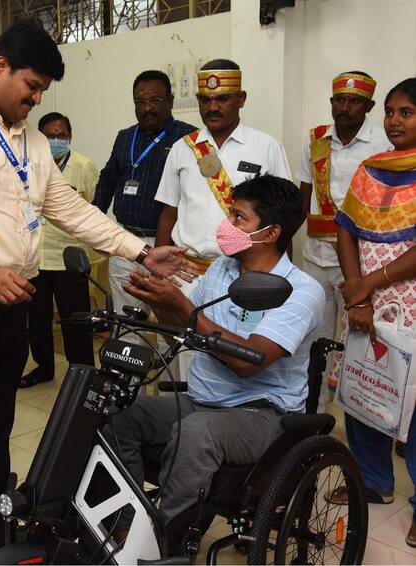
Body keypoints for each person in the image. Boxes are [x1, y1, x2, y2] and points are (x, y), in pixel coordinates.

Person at [0, 20, 192, 564]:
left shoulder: (27, 138)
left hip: (2, 304)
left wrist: (139, 251)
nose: (36, 97)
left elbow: (66, 207)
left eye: (44, 89)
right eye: (32, 84)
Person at [113, 175, 323, 549]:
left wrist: (182, 307)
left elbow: (248, 362)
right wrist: (158, 300)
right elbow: (184, 330)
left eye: (239, 218)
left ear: (271, 232)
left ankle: (166, 547)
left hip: (262, 416)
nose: (226, 227)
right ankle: (129, 525)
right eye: (230, 215)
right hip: (202, 402)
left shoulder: (301, 291)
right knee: (118, 408)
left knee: (197, 432)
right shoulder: (222, 271)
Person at [154, 59, 291, 377]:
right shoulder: (182, 149)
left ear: (241, 99)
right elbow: (168, 212)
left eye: (222, 98)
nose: (212, 107)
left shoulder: (266, 146)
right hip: (187, 274)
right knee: (186, 365)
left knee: (236, 362)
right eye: (205, 100)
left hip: (243, 278)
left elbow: (285, 219)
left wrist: (278, 278)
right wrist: (159, 274)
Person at [330, 77, 416, 548]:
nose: (394, 121)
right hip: (368, 304)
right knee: (366, 388)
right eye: (390, 111)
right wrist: (359, 297)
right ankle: (373, 480)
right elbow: (346, 228)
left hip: (410, 306)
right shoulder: (371, 167)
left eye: (406, 112)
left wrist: (368, 284)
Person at [297, 71, 391, 412]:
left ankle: (368, 414)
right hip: (315, 256)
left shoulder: (384, 143)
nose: (345, 108)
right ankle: (314, 412)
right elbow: (302, 196)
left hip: (362, 260)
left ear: (369, 105)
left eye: (354, 101)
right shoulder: (316, 139)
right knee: (315, 338)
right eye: (339, 99)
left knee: (364, 339)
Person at [92, 70, 197, 339]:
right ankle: (127, 376)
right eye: (140, 102)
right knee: (127, 321)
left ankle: (169, 381)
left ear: (171, 101)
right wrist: (94, 220)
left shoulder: (190, 139)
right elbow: (108, 178)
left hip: (170, 248)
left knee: (170, 325)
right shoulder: (125, 137)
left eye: (156, 101)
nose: (147, 108)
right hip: (126, 243)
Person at [20, 112, 98, 388]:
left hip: (69, 258)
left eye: (61, 135)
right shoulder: (25, 164)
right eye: (49, 136)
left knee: (76, 321)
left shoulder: (84, 166)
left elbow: (91, 209)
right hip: (34, 257)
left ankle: (83, 373)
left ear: (70, 137)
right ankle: (43, 367)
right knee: (37, 320)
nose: (55, 140)